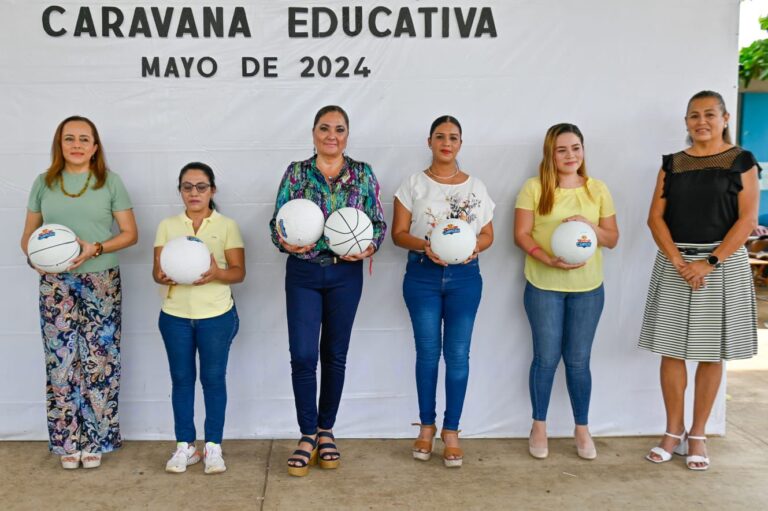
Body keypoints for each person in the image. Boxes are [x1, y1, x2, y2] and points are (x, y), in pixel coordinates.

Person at [639, 91, 760, 471]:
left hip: (720, 264)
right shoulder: (672, 165)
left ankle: (698, 434)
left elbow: (746, 219)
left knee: (711, 353)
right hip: (676, 262)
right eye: (694, 115)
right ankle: (672, 432)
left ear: (724, 118)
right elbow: (655, 218)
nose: (701, 121)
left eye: (709, 114)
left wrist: (709, 262)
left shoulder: (741, 161)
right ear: (686, 122)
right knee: (672, 350)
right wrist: (678, 260)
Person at [268, 105, 386, 476]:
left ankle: (326, 430)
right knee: (303, 355)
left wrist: (370, 246)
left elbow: (378, 222)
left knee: (334, 354)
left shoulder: (362, 174)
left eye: (338, 129)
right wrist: (285, 242)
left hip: (345, 274)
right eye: (324, 128)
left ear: (347, 134)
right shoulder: (297, 173)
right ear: (313, 132)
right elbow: (277, 222)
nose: (331, 135)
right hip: (303, 272)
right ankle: (306, 434)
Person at [20, 115, 138, 469]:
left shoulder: (110, 182)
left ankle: (97, 440)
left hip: (101, 280)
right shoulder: (43, 183)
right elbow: (28, 237)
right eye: (69, 138)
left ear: (95, 147)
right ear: (59, 144)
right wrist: (35, 260)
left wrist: (96, 248)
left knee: (100, 361)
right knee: (61, 361)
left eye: (84, 139)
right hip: (55, 284)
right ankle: (67, 441)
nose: (76, 144)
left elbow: (129, 233)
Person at [392, 115, 495, 468]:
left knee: (458, 355)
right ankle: (425, 426)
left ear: (460, 144)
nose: (446, 143)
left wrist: (470, 248)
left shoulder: (476, 187)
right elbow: (398, 233)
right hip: (422, 276)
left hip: (465, 278)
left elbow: (488, 235)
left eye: (453, 137)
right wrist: (427, 245)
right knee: (426, 354)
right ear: (430, 142)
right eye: (440, 137)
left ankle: (451, 430)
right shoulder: (413, 185)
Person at [513, 123, 619, 460]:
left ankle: (582, 428)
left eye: (575, 148)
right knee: (545, 359)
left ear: (583, 151)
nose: (570, 155)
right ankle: (539, 425)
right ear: (550, 154)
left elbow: (612, 239)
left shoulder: (597, 189)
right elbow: (522, 235)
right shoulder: (534, 188)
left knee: (578, 361)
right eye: (562, 149)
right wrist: (547, 258)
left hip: (588, 289)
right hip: (544, 286)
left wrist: (590, 228)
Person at [153, 162, 245, 475]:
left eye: (201, 187)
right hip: (175, 316)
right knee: (181, 380)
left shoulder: (227, 225)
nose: (194, 193)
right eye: (187, 187)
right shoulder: (168, 225)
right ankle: (185, 446)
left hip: (215, 316)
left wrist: (217, 272)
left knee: (213, 379)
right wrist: (168, 275)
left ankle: (214, 447)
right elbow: (157, 273)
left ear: (212, 190)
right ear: (180, 191)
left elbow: (238, 272)